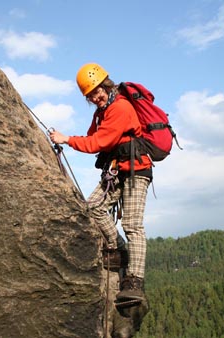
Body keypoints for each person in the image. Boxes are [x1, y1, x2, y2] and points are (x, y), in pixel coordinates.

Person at [49, 63, 153, 303]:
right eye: (90, 95)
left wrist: (66, 139)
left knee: (132, 225)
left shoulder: (120, 108)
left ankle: (135, 281)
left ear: (106, 85)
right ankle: (118, 249)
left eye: (98, 91)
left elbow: (100, 143)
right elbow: (93, 138)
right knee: (93, 206)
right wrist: (68, 139)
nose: (95, 97)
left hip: (137, 169)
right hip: (118, 169)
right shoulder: (102, 112)